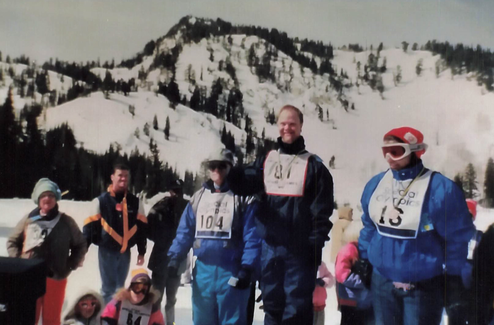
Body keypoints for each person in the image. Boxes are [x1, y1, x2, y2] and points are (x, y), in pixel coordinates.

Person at [358, 127, 475, 325]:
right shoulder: (377, 184)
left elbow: (457, 237)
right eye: (385, 151)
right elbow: (369, 226)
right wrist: (364, 258)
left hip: (422, 287)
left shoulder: (440, 189)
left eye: (395, 151)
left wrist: (454, 276)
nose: (388, 158)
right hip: (382, 283)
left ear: (414, 151)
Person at [228, 104, 334, 324]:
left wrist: (312, 249)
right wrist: (231, 171)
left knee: (296, 309)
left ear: (301, 126)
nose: (288, 128)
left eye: (292, 123)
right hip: (271, 248)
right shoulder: (267, 161)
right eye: (283, 123)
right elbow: (243, 184)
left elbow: (321, 214)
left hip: (300, 252)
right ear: (277, 126)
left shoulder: (314, 167)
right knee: (271, 305)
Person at [167, 148, 261, 325]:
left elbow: (253, 237)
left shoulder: (242, 198)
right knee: (202, 321)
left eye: (221, 166)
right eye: (212, 166)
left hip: (232, 270)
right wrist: (174, 258)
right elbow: (185, 231)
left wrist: (248, 268)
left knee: (232, 321)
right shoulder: (199, 198)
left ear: (230, 168)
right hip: (203, 271)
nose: (216, 170)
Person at [7, 178, 87, 325]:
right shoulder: (29, 220)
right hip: (29, 279)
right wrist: (19, 263)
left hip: (56, 278)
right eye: (43, 195)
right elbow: (12, 242)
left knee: (52, 320)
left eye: (51, 195)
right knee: (28, 317)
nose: (47, 199)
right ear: (37, 199)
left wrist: (70, 265)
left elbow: (80, 244)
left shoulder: (66, 221)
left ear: (56, 199)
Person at [83, 163, 148, 304]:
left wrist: (141, 251)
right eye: (120, 176)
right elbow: (89, 230)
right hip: (107, 252)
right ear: (112, 177)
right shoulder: (101, 201)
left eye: (126, 176)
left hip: (125, 253)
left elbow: (142, 229)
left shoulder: (135, 202)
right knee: (108, 289)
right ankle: (107, 318)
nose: (123, 179)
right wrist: (82, 251)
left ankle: (117, 317)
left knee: (120, 289)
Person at [147, 179, 188, 325]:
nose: (175, 194)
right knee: (160, 299)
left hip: (171, 260)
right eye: (174, 190)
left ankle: (166, 323)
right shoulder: (164, 206)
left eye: (177, 191)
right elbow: (148, 228)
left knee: (167, 299)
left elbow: (149, 229)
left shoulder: (166, 205)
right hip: (165, 260)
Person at [101, 268, 165, 325]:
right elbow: (105, 319)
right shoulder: (118, 302)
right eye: (137, 288)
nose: (140, 293)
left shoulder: (152, 309)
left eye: (144, 290)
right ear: (130, 288)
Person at [335, 242, 373, 325]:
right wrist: (364, 282)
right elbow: (342, 275)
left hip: (366, 302)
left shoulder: (369, 250)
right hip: (351, 302)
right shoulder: (349, 250)